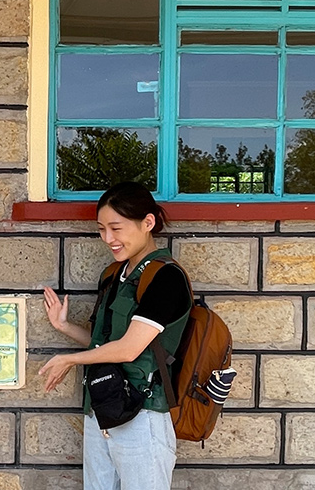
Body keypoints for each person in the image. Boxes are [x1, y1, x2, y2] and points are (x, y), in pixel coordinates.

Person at [39, 181, 193, 490]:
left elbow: (129, 349)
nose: (108, 239)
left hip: (142, 415)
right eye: (101, 229)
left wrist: (70, 360)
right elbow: (105, 346)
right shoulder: (113, 275)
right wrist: (65, 326)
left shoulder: (166, 278)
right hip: (102, 410)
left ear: (148, 222)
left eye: (116, 228)